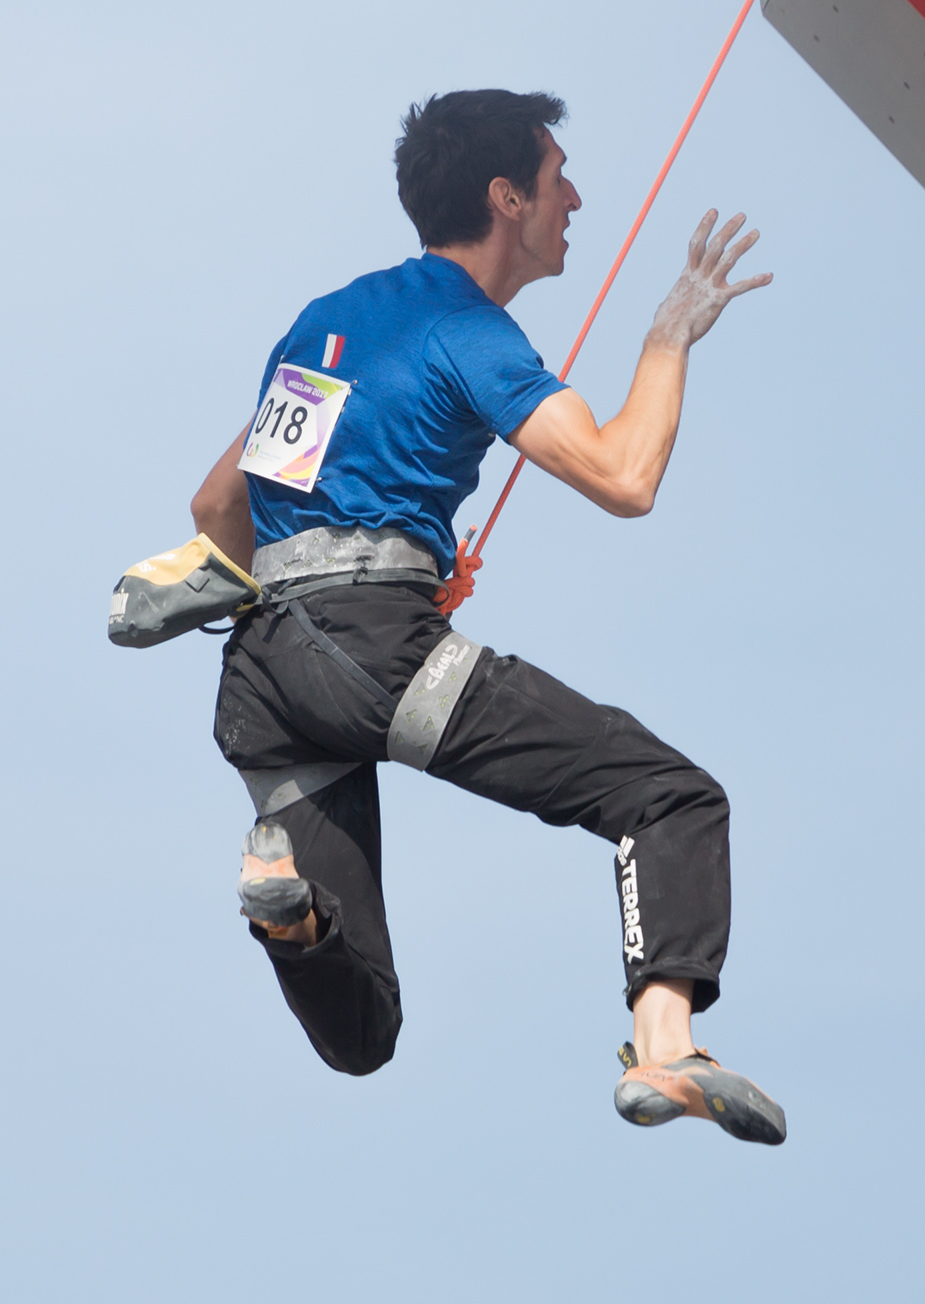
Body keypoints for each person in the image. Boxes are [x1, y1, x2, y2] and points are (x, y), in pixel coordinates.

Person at [185, 87, 782, 1142]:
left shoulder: (326, 321)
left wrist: (378, 562)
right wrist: (670, 334)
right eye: (560, 178)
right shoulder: (471, 330)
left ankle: (287, 902)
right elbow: (623, 472)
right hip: (370, 653)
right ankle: (666, 1050)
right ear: (508, 196)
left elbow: (220, 507)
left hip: (261, 675)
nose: (578, 199)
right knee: (668, 795)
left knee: (362, 1033)